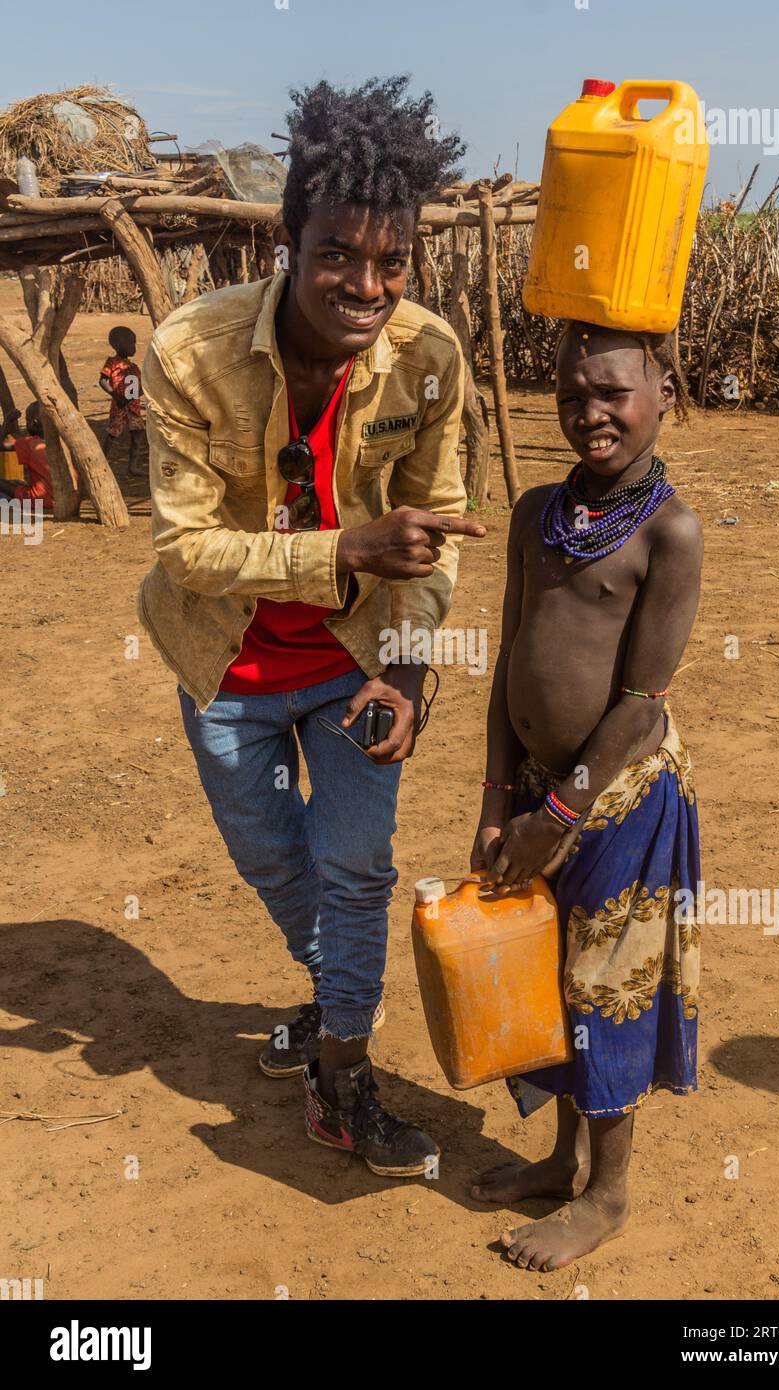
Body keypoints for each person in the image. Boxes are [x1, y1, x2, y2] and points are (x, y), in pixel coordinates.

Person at [137, 76, 485, 1179]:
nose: (366, 285)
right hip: (222, 661)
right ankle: (330, 995)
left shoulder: (427, 360)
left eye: (391, 261)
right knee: (274, 863)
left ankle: (342, 1077)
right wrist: (341, 547)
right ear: (287, 239)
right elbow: (186, 549)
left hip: (354, 664)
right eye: (338, 252)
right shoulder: (187, 351)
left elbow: (434, 545)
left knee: (352, 868)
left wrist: (409, 672)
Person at [469, 321, 703, 1271]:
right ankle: (562, 1159)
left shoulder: (670, 532)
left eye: (613, 394)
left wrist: (556, 817)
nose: (590, 415)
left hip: (616, 803)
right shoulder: (536, 511)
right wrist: (498, 801)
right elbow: (508, 659)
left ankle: (607, 1194)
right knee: (546, 980)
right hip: (531, 796)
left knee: (607, 988)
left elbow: (642, 707)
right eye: (572, 396)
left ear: (663, 391)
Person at [99, 326, 147, 476]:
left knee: (137, 436)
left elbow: (141, 387)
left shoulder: (134, 367)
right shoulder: (112, 363)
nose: (134, 347)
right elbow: (102, 381)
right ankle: (102, 463)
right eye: (131, 343)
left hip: (134, 409)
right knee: (112, 435)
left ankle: (133, 466)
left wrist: (138, 393)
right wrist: (115, 394)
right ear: (119, 345)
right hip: (119, 407)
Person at [0, 403, 55, 508]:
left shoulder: (31, 443)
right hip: (61, 498)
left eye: (27, 420)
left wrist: (7, 421)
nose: (26, 424)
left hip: (39, 499)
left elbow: (1, 446)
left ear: (34, 422)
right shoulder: (60, 440)